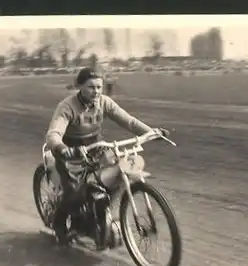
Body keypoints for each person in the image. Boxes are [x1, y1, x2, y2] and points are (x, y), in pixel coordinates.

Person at [45, 67, 168, 247]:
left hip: (97, 150)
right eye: (91, 87)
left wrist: (152, 133)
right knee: (75, 193)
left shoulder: (104, 102)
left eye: (99, 87)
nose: (96, 92)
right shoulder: (67, 107)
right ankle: (59, 224)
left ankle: (99, 217)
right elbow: (53, 134)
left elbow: (129, 121)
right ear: (80, 86)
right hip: (73, 155)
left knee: (115, 176)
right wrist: (63, 148)